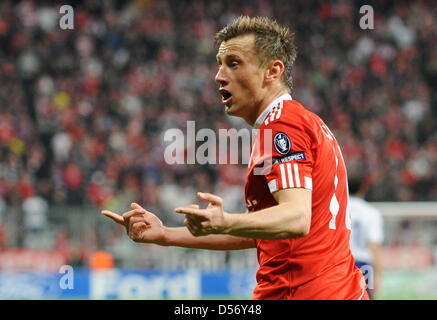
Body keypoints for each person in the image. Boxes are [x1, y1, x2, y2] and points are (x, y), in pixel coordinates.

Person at [101, 16, 368, 300]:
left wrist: (226, 220)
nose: (219, 75)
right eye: (219, 63)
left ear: (272, 70)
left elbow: (296, 218)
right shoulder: (305, 122)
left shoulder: (282, 124)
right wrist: (166, 235)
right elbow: (264, 231)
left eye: (234, 63)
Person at [348, 177, 384, 299]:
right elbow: (374, 246)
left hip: (340, 262)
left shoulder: (336, 208)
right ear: (363, 188)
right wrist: (379, 275)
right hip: (363, 266)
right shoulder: (370, 212)